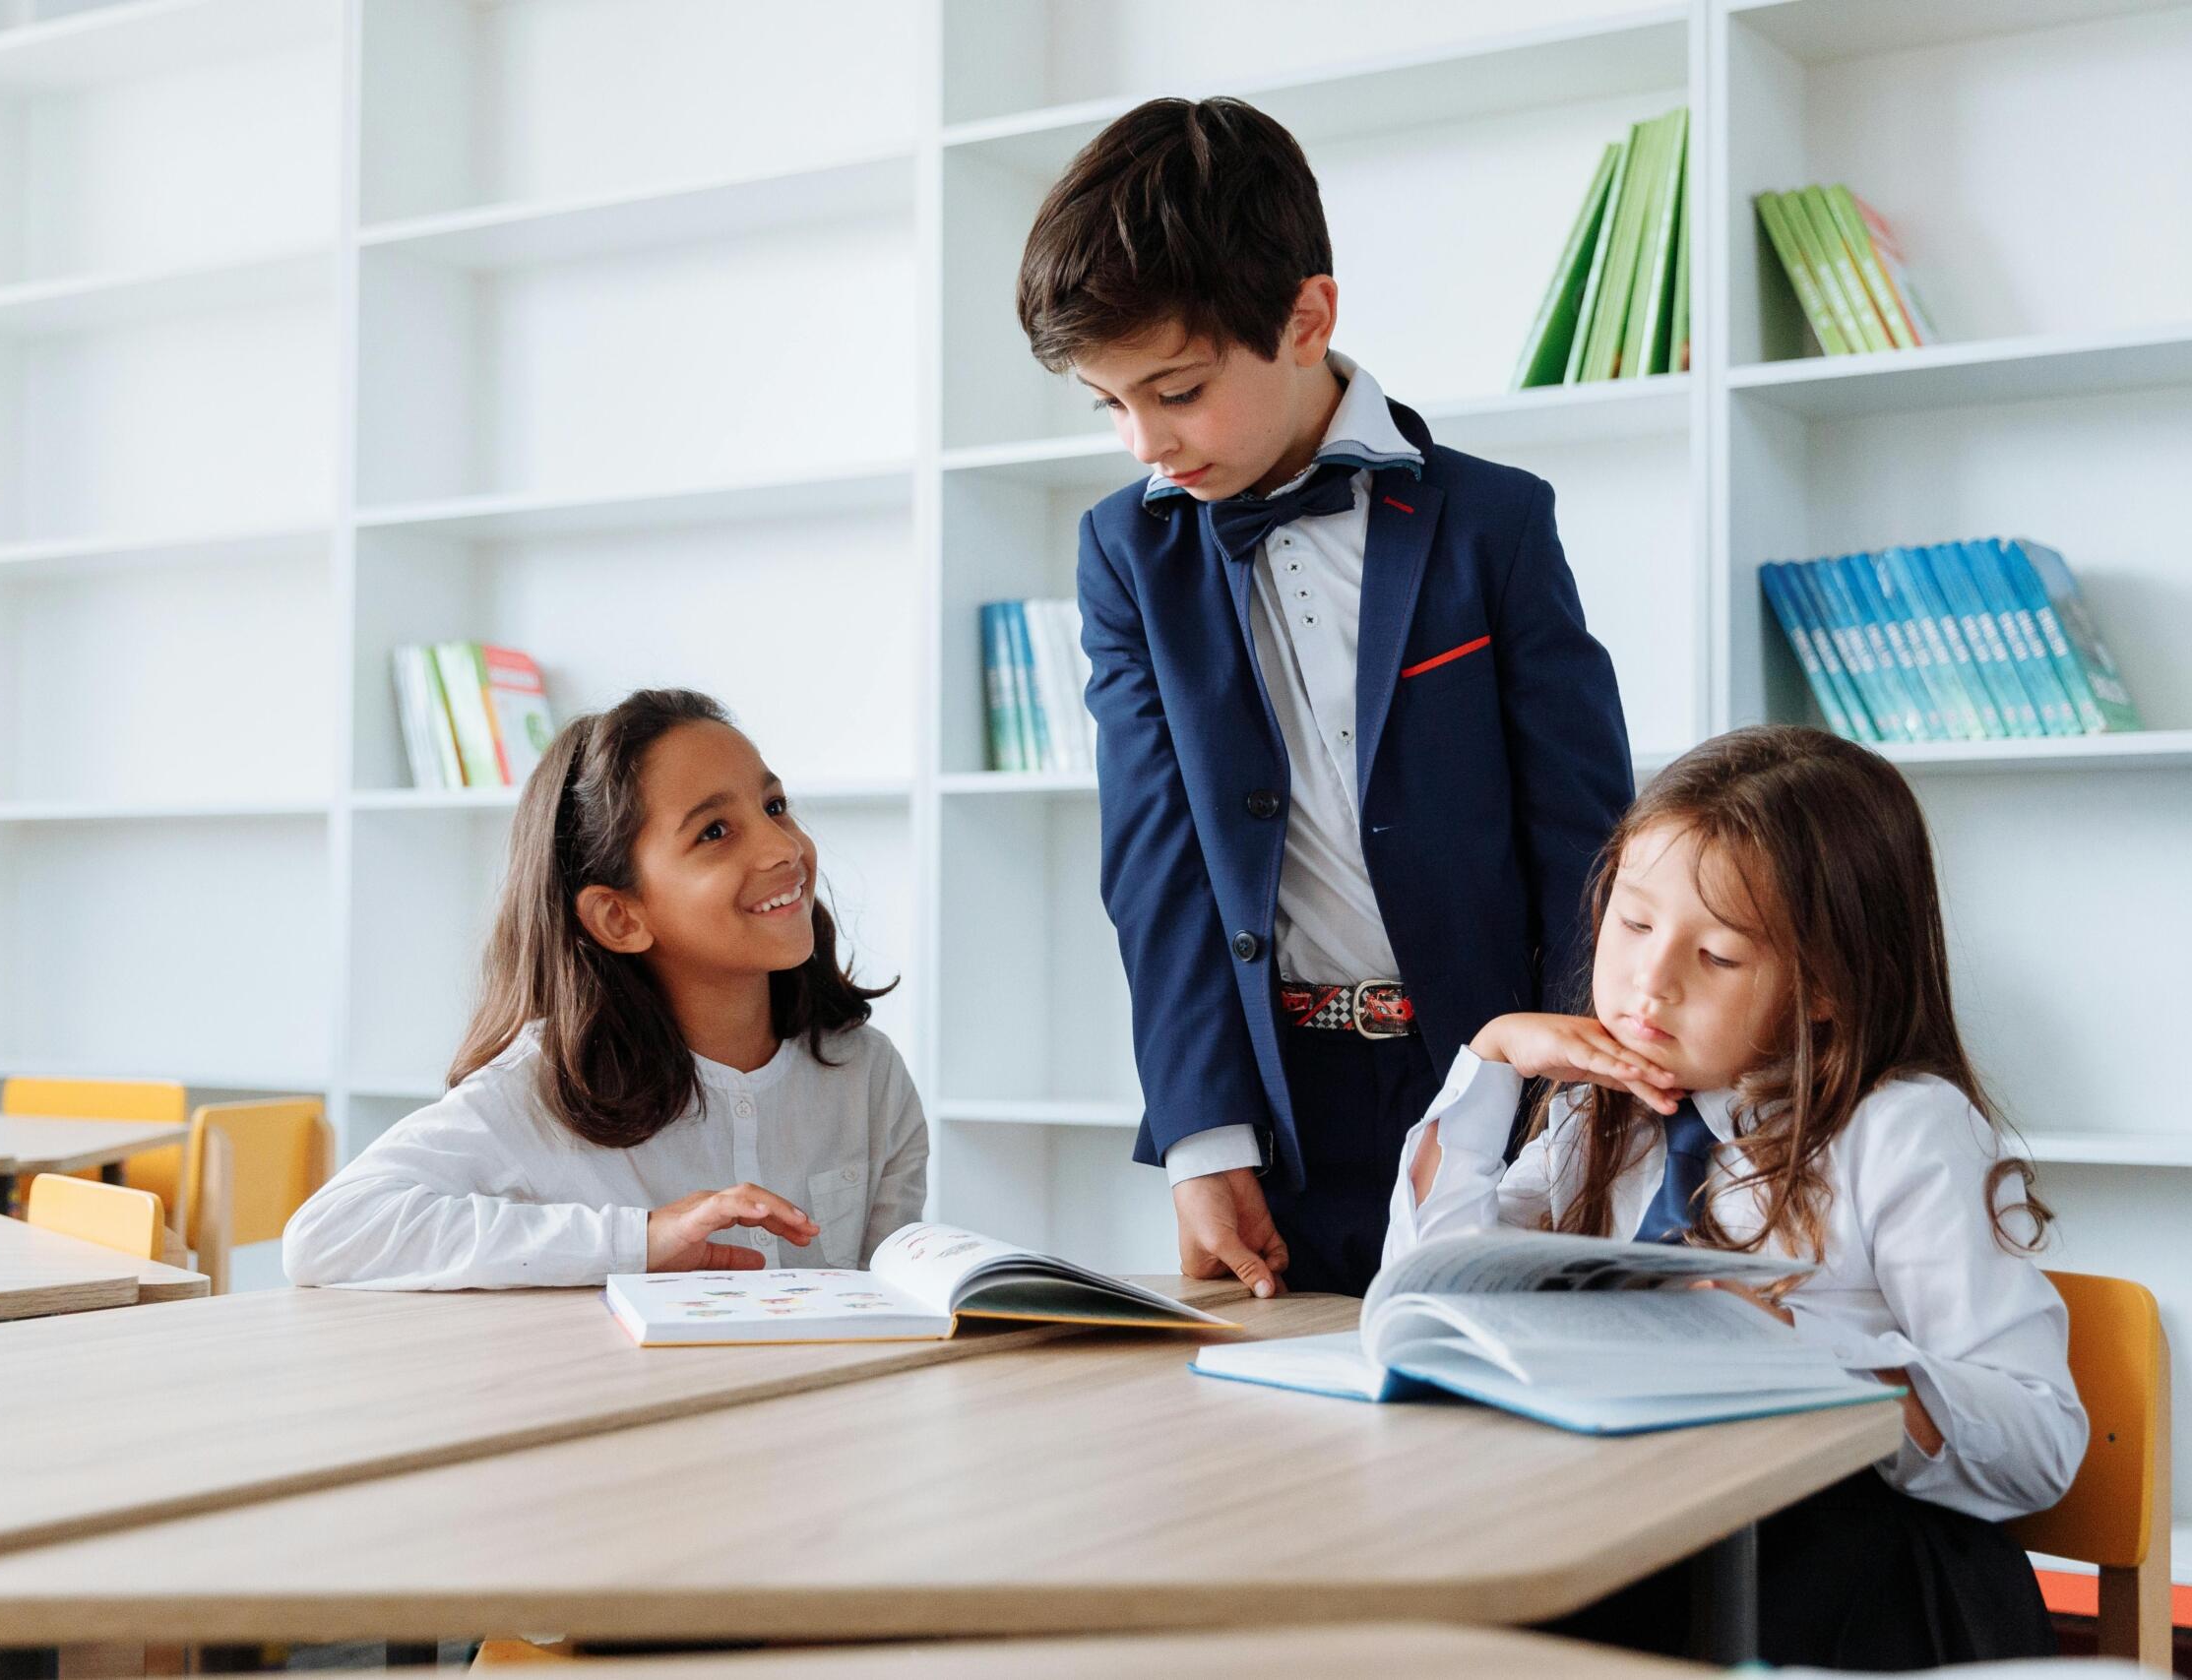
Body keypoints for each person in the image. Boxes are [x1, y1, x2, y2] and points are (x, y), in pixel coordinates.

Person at [1017, 95, 1634, 1296]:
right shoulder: (1124, 556)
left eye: (1177, 390)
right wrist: (1201, 1137)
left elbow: (1587, 845)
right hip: (1274, 1111)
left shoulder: (1494, 524)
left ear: (1307, 318)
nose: (1143, 441)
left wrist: (1581, 1112)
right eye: (1109, 403)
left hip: (1497, 1097)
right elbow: (1156, 864)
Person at [1391, 724, 2087, 1667]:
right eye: (1634, 924)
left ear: (1826, 985)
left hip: (1852, 1578)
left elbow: (2038, 1436)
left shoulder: (1903, 1130)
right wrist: (1492, 1063)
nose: (1651, 981)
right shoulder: (1606, 1109)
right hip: (1647, 1543)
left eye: (1717, 956)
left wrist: (1792, 1356)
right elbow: (1430, 1298)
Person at [283, 688, 924, 1288]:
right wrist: (643, 1239)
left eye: (774, 806)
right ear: (621, 916)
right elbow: (327, 1233)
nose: (782, 847)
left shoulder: (867, 1076)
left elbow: (889, 1301)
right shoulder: (544, 1088)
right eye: (715, 832)